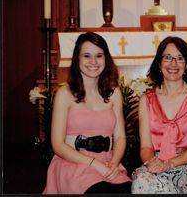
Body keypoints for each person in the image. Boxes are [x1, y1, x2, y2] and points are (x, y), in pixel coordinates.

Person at [43, 32, 131, 194]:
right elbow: (57, 144)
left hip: (108, 163)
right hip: (73, 163)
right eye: (87, 56)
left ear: (106, 59)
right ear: (77, 59)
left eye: (99, 55)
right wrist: (93, 163)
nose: (93, 62)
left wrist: (114, 163)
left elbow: (120, 137)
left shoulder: (114, 93)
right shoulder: (65, 93)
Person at [131, 36, 187, 194]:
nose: (173, 64)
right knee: (142, 181)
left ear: (186, 65)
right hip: (156, 161)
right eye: (168, 57)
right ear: (159, 64)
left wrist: (169, 163)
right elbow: (146, 147)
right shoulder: (146, 100)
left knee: (158, 184)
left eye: (179, 58)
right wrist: (152, 162)